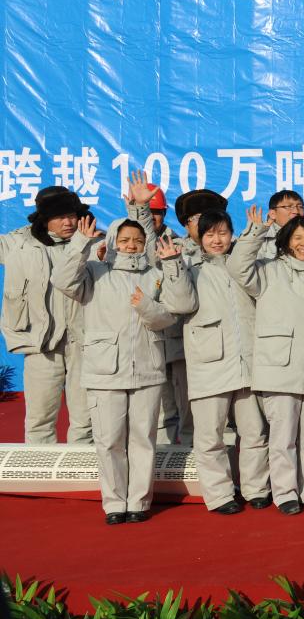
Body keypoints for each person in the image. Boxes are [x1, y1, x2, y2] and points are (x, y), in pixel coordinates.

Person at [52, 215, 185, 524]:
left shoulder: (155, 275)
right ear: (112, 242)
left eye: (137, 241)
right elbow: (62, 280)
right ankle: (114, 503)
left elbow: (171, 316)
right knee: (109, 440)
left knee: (143, 439)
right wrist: (81, 243)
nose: (131, 246)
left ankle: (139, 501)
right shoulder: (94, 272)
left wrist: (147, 306)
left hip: (148, 368)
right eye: (124, 240)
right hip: (105, 369)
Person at [227, 209, 304, 515]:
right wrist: (255, 232)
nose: (303, 243)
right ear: (285, 241)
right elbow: (237, 268)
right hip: (279, 366)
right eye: (297, 238)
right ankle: (285, 492)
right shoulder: (269, 271)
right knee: (282, 438)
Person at [159, 209, 270, 515]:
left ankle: (256, 488)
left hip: (248, 360)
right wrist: (172, 264)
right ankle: (220, 494)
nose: (217, 240)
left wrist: (255, 235)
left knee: (254, 432)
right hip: (209, 362)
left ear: (233, 234)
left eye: (223, 233)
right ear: (199, 237)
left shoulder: (245, 266)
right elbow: (181, 304)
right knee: (210, 436)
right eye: (210, 234)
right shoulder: (188, 266)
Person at [0, 186, 93, 445]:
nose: (68, 222)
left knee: (86, 420)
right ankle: (40, 468)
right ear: (44, 219)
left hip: (84, 341)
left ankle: (83, 467)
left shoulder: (94, 241)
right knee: (40, 419)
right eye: (60, 217)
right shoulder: (18, 243)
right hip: (41, 342)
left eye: (72, 215)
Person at [152, 186, 228, 445]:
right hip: (180, 344)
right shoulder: (173, 249)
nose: (205, 222)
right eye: (196, 218)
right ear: (186, 224)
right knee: (183, 414)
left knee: (223, 419)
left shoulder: (232, 253)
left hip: (225, 348)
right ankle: (182, 463)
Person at [256, 190, 304, 262]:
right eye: (289, 206)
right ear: (273, 214)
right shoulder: (258, 237)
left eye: (300, 207)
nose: (296, 211)